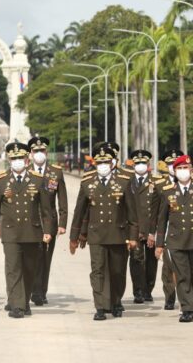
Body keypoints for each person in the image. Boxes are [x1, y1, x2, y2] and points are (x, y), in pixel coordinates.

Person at [70, 145, 138, 321]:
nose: (102, 165)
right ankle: (100, 307)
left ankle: (115, 302)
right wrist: (74, 237)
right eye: (99, 162)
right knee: (97, 270)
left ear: (112, 162)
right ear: (94, 163)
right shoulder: (87, 182)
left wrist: (133, 237)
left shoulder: (124, 181)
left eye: (106, 162)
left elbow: (132, 212)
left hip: (118, 234)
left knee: (117, 271)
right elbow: (79, 212)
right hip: (96, 235)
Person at [0, 142, 53, 319]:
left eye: (20, 158)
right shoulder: (1, 180)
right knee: (13, 267)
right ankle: (17, 305)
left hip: (32, 231)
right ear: (9, 159)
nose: (17, 161)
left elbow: (46, 209)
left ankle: (24, 300)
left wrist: (48, 230)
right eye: (13, 158)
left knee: (29, 268)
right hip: (10, 231)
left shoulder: (38, 179)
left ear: (26, 158)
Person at [27, 136, 67, 306]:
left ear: (46, 152)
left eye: (42, 151)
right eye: (35, 151)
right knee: (32, 258)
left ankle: (41, 291)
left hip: (49, 221)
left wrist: (63, 223)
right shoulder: (26, 171)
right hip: (30, 221)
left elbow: (62, 199)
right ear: (30, 153)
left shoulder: (55, 172)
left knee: (45, 258)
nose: (39, 154)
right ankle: (32, 290)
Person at [155, 155, 193, 322]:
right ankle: (187, 309)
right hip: (176, 241)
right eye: (180, 169)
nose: (183, 172)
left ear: (191, 170)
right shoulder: (168, 191)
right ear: (175, 172)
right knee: (183, 276)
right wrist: (159, 244)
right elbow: (162, 220)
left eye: (186, 168)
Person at [128, 150, 164, 304]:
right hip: (133, 227)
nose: (140, 166)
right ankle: (138, 291)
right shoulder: (127, 181)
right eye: (137, 163)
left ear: (148, 164)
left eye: (143, 163)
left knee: (150, 261)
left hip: (150, 227)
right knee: (136, 259)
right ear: (133, 164)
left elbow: (158, 210)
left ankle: (148, 289)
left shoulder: (156, 182)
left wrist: (153, 232)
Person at [157, 149, 184, 310]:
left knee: (184, 268)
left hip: (185, 232)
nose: (173, 166)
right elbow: (157, 214)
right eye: (170, 164)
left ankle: (185, 299)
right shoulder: (161, 185)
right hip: (167, 233)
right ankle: (169, 296)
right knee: (168, 268)